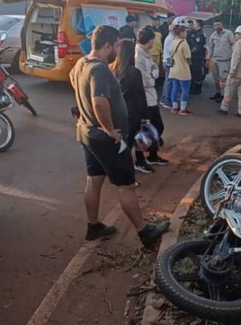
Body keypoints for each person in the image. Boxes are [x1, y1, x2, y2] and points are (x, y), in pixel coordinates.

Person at [69, 24, 169, 244]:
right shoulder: (100, 69)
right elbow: (99, 102)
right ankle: (144, 232)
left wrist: (85, 110)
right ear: (106, 45)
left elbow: (73, 81)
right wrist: (109, 129)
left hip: (87, 133)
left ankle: (93, 226)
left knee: (94, 180)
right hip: (106, 139)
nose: (118, 49)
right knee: (126, 185)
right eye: (115, 45)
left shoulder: (81, 63)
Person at [110, 38, 155, 174]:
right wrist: (145, 117)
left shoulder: (112, 69)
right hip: (132, 114)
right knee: (130, 144)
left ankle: (134, 164)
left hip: (116, 113)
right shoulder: (134, 72)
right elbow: (140, 97)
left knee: (124, 143)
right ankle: (125, 173)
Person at [134, 28, 170, 168]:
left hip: (151, 97)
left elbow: (154, 69)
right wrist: (153, 75)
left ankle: (153, 154)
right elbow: (145, 80)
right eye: (153, 40)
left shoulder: (145, 54)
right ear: (150, 41)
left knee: (157, 127)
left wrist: (152, 74)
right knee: (144, 131)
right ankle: (140, 159)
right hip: (145, 99)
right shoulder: (138, 56)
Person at [219, 26, 241, 118]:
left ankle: (224, 108)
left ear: (240, 34)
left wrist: (232, 72)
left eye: (236, 34)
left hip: (236, 73)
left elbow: (236, 59)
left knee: (228, 91)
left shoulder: (238, 44)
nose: (235, 35)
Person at [168, 23, 193, 115]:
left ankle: (174, 107)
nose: (187, 33)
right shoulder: (184, 43)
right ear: (181, 32)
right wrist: (189, 62)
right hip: (183, 70)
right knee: (185, 90)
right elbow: (188, 57)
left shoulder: (173, 41)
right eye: (186, 31)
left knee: (175, 88)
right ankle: (183, 109)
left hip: (174, 69)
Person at [206, 20, 234, 101]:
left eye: (218, 24)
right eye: (215, 25)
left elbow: (233, 45)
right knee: (215, 79)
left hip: (225, 60)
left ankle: (223, 95)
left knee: (223, 79)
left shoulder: (228, 33)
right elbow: (211, 48)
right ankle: (217, 93)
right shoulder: (213, 36)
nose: (217, 26)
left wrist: (233, 56)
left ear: (222, 24)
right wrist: (208, 58)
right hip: (215, 60)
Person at [159, 21, 178, 108]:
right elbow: (171, 51)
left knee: (168, 81)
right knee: (169, 82)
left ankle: (164, 99)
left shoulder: (171, 38)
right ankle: (166, 100)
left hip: (167, 61)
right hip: (168, 62)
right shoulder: (171, 38)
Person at [186, 19, 207, 94]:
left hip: (197, 57)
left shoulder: (200, 34)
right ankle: (193, 88)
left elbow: (197, 47)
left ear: (198, 24)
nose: (192, 25)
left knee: (197, 74)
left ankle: (197, 89)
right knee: (193, 73)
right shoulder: (193, 33)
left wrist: (189, 53)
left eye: (194, 23)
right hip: (195, 57)